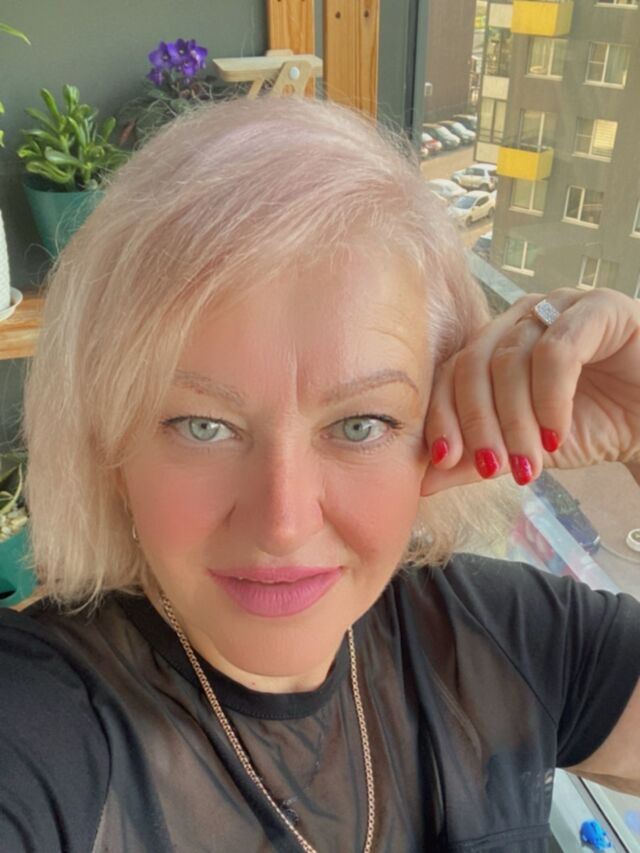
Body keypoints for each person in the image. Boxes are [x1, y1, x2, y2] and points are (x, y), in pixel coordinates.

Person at [0, 95, 638, 853]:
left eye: (359, 424)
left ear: (441, 426)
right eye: (203, 426)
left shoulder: (502, 636)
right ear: (109, 447)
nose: (282, 521)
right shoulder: (39, 714)